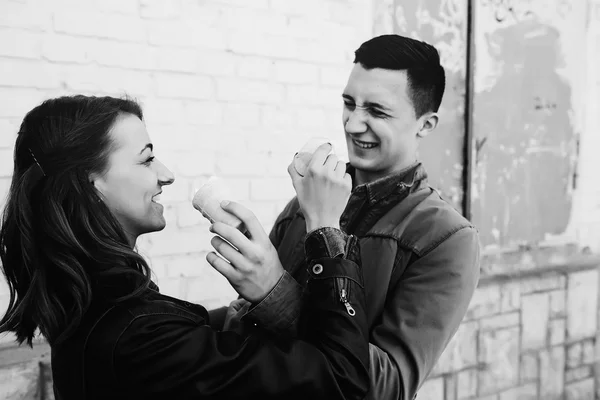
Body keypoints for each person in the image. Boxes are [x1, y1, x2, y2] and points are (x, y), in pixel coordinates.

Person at [0, 95, 371, 400]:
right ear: (90, 183)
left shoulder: (89, 304)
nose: (167, 174)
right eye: (146, 158)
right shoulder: (142, 337)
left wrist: (267, 295)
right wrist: (325, 228)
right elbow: (344, 383)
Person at [212, 34, 481, 400]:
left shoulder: (447, 238)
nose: (353, 124)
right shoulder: (304, 201)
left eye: (377, 111)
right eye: (349, 103)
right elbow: (251, 321)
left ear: (426, 124)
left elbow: (387, 387)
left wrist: (278, 287)